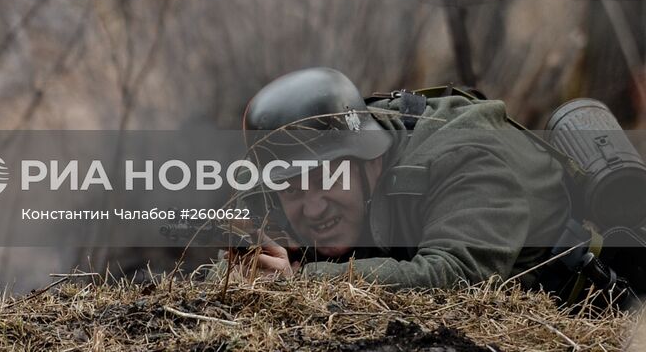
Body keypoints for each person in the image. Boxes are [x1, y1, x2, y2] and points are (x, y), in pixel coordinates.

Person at [227, 67, 576, 292]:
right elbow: (232, 273)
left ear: (371, 157)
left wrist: (302, 280)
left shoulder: (462, 159)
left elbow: (454, 275)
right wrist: (248, 269)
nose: (314, 207)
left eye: (328, 179)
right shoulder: (272, 185)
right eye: (291, 186)